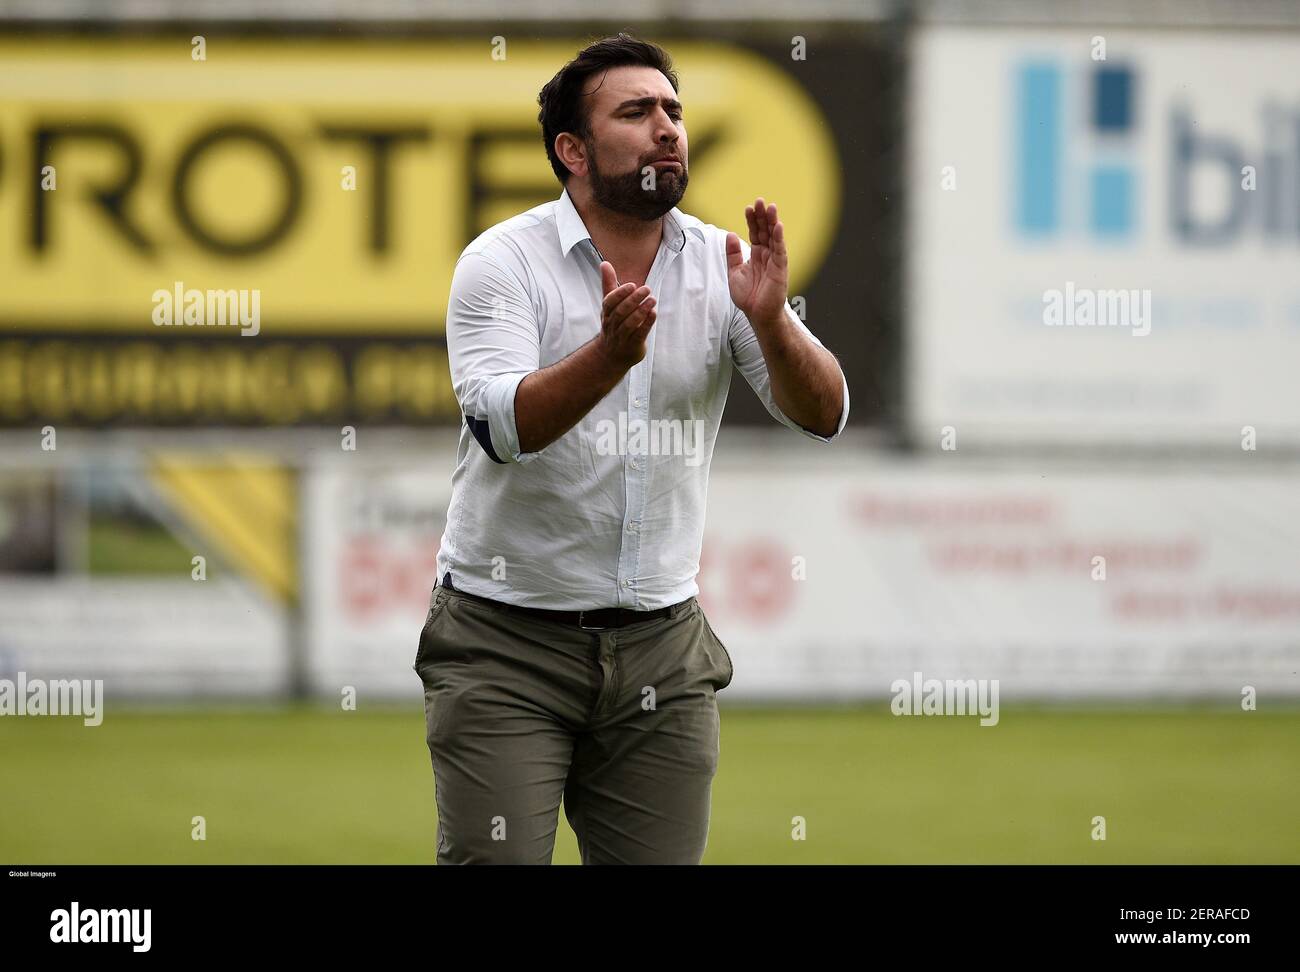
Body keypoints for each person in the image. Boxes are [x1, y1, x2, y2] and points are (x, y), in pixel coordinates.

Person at [414, 32, 849, 864]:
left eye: (675, 111)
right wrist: (610, 356)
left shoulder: (724, 265)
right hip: (505, 645)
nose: (667, 127)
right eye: (637, 110)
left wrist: (769, 320)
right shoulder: (502, 263)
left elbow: (824, 412)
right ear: (571, 150)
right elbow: (504, 429)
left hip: (663, 648)